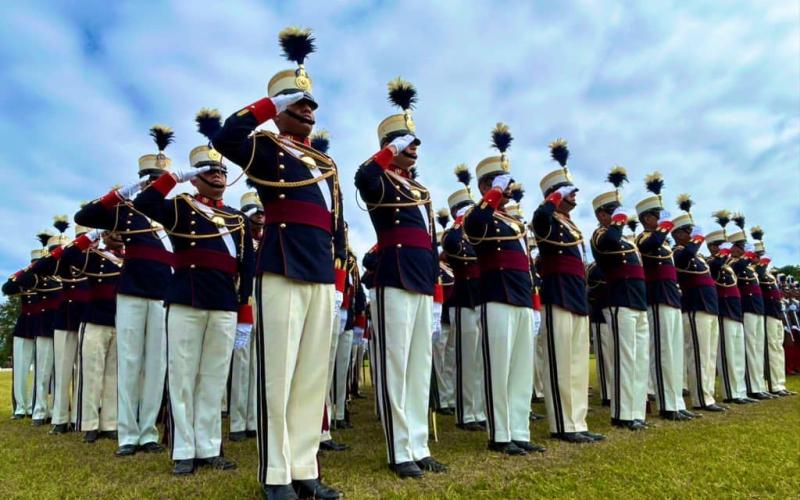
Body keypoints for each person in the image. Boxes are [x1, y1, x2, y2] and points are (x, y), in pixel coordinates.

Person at [212, 27, 346, 499]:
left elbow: (338, 228)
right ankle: (275, 474)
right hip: (281, 266)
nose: (307, 112)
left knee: (312, 375)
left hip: (317, 272)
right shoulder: (265, 148)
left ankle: (305, 466)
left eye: (311, 106)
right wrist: (269, 104)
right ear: (281, 110)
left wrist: (338, 278)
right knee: (279, 375)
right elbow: (227, 135)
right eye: (298, 104)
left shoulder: (326, 165)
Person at [134, 120, 254, 475]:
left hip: (224, 303)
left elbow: (246, 268)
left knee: (214, 378)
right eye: (209, 170)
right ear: (198, 175)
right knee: (183, 375)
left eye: (221, 169)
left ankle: (209, 447)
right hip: (186, 298)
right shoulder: (180, 207)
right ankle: (184, 449)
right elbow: (145, 201)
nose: (218, 175)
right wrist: (178, 176)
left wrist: (244, 308)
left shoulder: (237, 219)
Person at [354, 77, 446, 478]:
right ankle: (398, 450)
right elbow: (362, 178)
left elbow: (432, 241)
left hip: (421, 279)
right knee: (396, 364)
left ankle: (419, 444)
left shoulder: (421, 189)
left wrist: (436, 286)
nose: (412, 148)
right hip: (393, 276)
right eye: (405, 143)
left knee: (418, 364)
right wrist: (390, 147)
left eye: (414, 143)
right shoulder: (380, 179)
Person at [74, 126, 175, 456]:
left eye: (159, 178)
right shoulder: (124, 211)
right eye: (149, 178)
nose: (154, 182)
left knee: (156, 365)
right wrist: (122, 193)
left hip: (164, 294)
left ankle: (148, 431)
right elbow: (84, 216)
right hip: (132, 291)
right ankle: (127, 434)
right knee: (129, 363)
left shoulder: (174, 211)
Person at [464, 124, 546, 454]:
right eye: (497, 180)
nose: (506, 185)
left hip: (521, 297)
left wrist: (535, 302)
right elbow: (474, 228)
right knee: (499, 367)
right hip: (496, 295)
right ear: (485, 184)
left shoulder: (514, 222)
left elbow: (527, 264)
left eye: (505, 180)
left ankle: (520, 430)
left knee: (521, 368)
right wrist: (492, 195)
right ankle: (500, 434)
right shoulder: (478, 213)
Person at [533, 139, 603, 443]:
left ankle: (578, 422)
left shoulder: (573, 226)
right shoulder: (547, 220)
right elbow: (538, 221)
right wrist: (551, 199)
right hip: (558, 293)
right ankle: (562, 424)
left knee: (575, 361)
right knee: (560, 360)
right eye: (568, 192)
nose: (574, 197)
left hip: (576, 295)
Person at [590, 167, 650, 430]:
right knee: (625, 358)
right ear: (602, 214)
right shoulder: (601, 234)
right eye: (612, 211)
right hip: (620, 300)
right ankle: (623, 413)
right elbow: (608, 243)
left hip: (637, 301)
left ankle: (637, 410)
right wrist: (615, 221)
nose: (619, 216)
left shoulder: (628, 241)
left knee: (639, 359)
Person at [635, 172, 694, 420]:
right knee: (662, 352)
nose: (661, 221)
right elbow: (647, 248)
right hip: (656, 298)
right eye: (657, 216)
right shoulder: (644, 238)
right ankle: (667, 405)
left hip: (671, 298)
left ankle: (677, 402)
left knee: (674, 352)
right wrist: (663, 230)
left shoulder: (665, 243)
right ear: (647, 218)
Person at [442, 165, 486, 431]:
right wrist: (458, 223)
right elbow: (450, 247)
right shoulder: (453, 235)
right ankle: (465, 413)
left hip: (480, 300)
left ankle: (478, 410)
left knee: (479, 359)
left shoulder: (477, 237)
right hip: (462, 301)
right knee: (465, 359)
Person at [671, 197, 725, 412]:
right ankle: (701, 398)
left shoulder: (700, 256)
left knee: (710, 354)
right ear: (677, 234)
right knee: (699, 354)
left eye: (692, 230)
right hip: (695, 307)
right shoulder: (676, 251)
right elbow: (684, 257)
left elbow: (718, 264)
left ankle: (708, 395)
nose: (692, 234)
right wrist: (696, 240)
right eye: (687, 230)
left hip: (709, 308)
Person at [228, 190, 263, 442]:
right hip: (244, 299)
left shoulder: (268, 240)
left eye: (262, 213)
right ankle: (238, 421)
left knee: (258, 363)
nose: (260, 218)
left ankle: (253, 418)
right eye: (254, 213)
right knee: (241, 363)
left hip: (266, 302)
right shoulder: (239, 240)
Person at [726, 215, 774, 401]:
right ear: (732, 248)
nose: (743, 250)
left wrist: (758, 258)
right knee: (749, 349)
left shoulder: (750, 268)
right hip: (745, 309)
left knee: (757, 348)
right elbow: (738, 267)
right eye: (739, 246)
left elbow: (760, 272)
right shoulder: (731, 263)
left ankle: (758, 385)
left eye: (743, 246)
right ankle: (751, 387)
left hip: (756, 310)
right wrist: (749, 257)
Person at [2, 246, 46, 420]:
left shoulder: (52, 278)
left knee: (41, 370)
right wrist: (26, 271)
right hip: (25, 324)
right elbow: (7, 288)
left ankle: (39, 405)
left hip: (43, 324)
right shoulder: (24, 279)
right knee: (20, 367)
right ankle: (21, 407)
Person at [750, 228, 792, 397]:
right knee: (766, 349)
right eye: (758, 255)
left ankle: (779, 383)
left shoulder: (768, 274)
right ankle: (769, 384)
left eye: (763, 254)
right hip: (765, 313)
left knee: (777, 348)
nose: (762, 258)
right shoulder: (754, 271)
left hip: (775, 314)